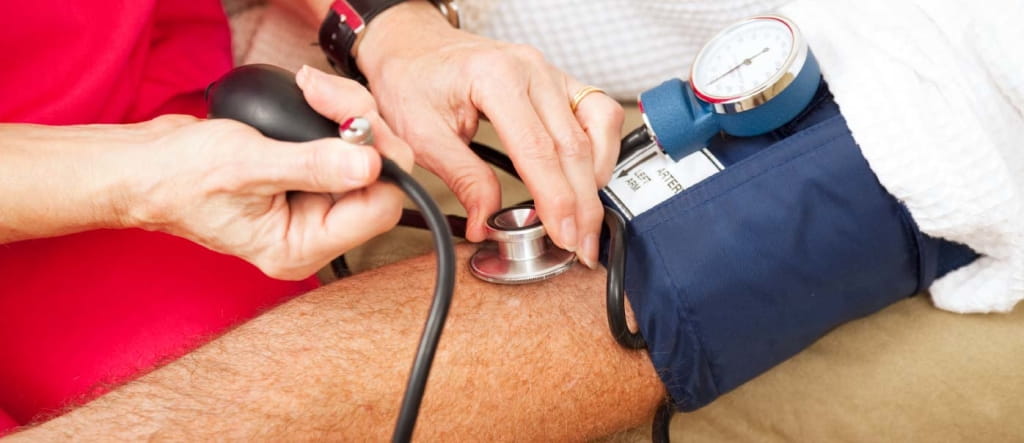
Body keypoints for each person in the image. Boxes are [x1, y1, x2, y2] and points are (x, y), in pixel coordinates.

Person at [0, 0, 623, 434]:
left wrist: (390, 29)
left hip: (151, 109)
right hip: (126, 161)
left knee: (280, 395)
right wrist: (140, 173)